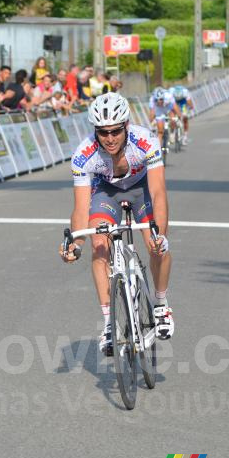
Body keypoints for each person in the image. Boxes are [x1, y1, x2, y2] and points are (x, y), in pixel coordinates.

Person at [60, 93, 174, 355]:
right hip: (107, 192)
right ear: (95, 131)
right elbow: (80, 208)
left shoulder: (145, 141)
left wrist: (161, 234)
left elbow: (158, 192)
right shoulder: (83, 155)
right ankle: (110, 323)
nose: (109, 138)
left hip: (142, 189)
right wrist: (75, 243)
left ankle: (160, 304)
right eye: (103, 132)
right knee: (99, 244)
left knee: (156, 246)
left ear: (126, 126)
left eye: (115, 131)